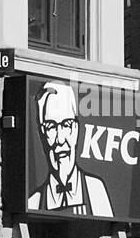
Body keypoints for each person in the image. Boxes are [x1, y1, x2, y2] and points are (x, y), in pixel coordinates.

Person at [26, 81, 114, 217]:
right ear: (42, 133)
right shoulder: (34, 202)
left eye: (66, 125)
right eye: (51, 127)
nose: (60, 139)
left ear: (76, 129)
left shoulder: (95, 190)